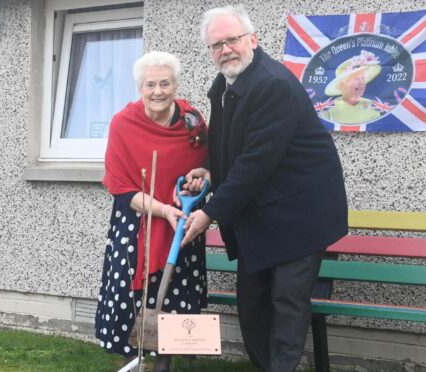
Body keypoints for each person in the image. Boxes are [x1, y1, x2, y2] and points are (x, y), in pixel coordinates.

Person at [180, 5, 348, 372]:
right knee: (252, 305)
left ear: (252, 40)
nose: (225, 50)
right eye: (216, 45)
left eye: (232, 40)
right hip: (261, 214)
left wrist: (208, 213)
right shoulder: (225, 85)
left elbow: (255, 161)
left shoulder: (272, 84)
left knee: (286, 305)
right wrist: (210, 171)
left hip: (301, 215)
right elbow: (230, 145)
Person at [95, 51, 209, 372]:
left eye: (165, 83)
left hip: (181, 224)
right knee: (131, 293)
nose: (158, 91)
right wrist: (161, 209)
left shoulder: (193, 123)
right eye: (150, 85)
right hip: (136, 222)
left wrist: (196, 186)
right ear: (139, 87)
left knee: (175, 293)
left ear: (175, 85)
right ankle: (133, 359)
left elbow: (208, 166)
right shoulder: (122, 124)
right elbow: (119, 185)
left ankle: (163, 364)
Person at [320, 50, 382, 124]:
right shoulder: (329, 109)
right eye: (356, 79)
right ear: (342, 85)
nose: (361, 83)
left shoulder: (374, 106)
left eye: (363, 78)